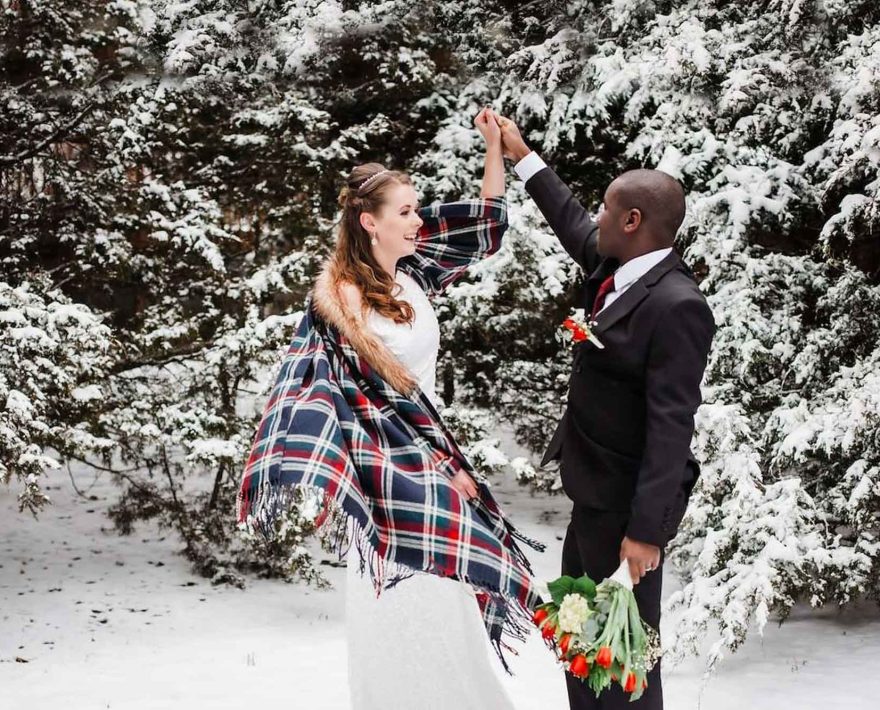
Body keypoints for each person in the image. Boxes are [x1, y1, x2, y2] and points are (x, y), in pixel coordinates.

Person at [236, 107, 542, 710]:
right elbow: (347, 405)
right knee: (402, 619)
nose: (418, 219)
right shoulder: (342, 306)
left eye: (416, 208)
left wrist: (494, 151)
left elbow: (484, 229)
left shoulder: (411, 272)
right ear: (369, 222)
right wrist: (432, 468)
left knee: (446, 618)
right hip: (391, 483)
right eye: (405, 211)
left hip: (432, 465)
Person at [494, 114, 716, 710]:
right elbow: (571, 223)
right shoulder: (617, 266)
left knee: (625, 666)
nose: (595, 216)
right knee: (580, 647)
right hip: (591, 499)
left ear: (633, 222)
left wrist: (646, 533)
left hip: (625, 519)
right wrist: (523, 156)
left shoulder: (677, 306)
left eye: (605, 208)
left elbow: (672, 429)